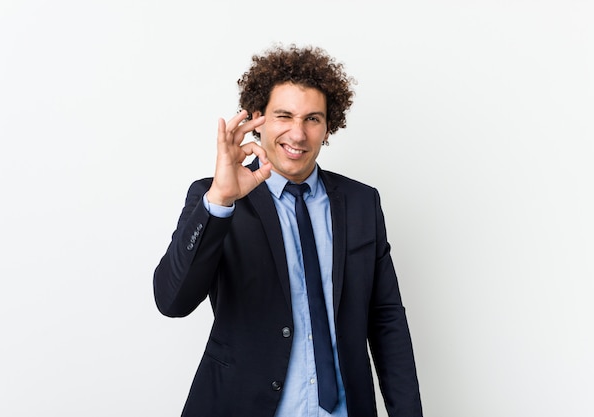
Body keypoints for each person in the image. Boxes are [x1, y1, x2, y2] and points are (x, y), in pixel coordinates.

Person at [153, 44, 423, 417]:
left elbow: (386, 317)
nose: (298, 134)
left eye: (313, 119)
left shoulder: (362, 203)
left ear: (329, 126)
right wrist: (220, 200)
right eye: (284, 116)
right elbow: (171, 301)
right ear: (257, 119)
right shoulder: (215, 197)